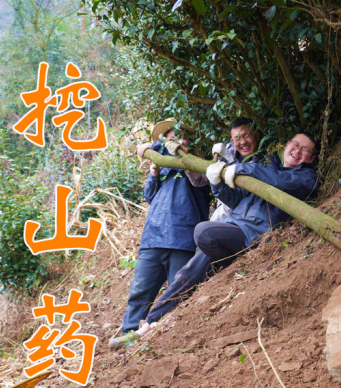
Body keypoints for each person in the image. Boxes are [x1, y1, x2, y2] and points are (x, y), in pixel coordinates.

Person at [112, 118, 319, 346]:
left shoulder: (305, 178)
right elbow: (235, 199)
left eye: (304, 149)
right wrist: (217, 183)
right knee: (186, 276)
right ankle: (148, 325)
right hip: (235, 230)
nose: (297, 151)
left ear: (311, 157)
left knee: (204, 232)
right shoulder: (267, 165)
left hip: (254, 235)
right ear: (287, 145)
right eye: (295, 145)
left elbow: (281, 181)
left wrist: (240, 167)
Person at [112, 119, 211, 345]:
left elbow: (201, 184)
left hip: (183, 238)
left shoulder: (198, 164)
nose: (174, 142)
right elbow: (150, 196)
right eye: (170, 138)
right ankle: (128, 337)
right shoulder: (162, 166)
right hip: (153, 236)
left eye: (180, 137)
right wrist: (154, 168)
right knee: (140, 291)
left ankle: (170, 340)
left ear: (189, 141)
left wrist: (183, 160)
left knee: (177, 292)